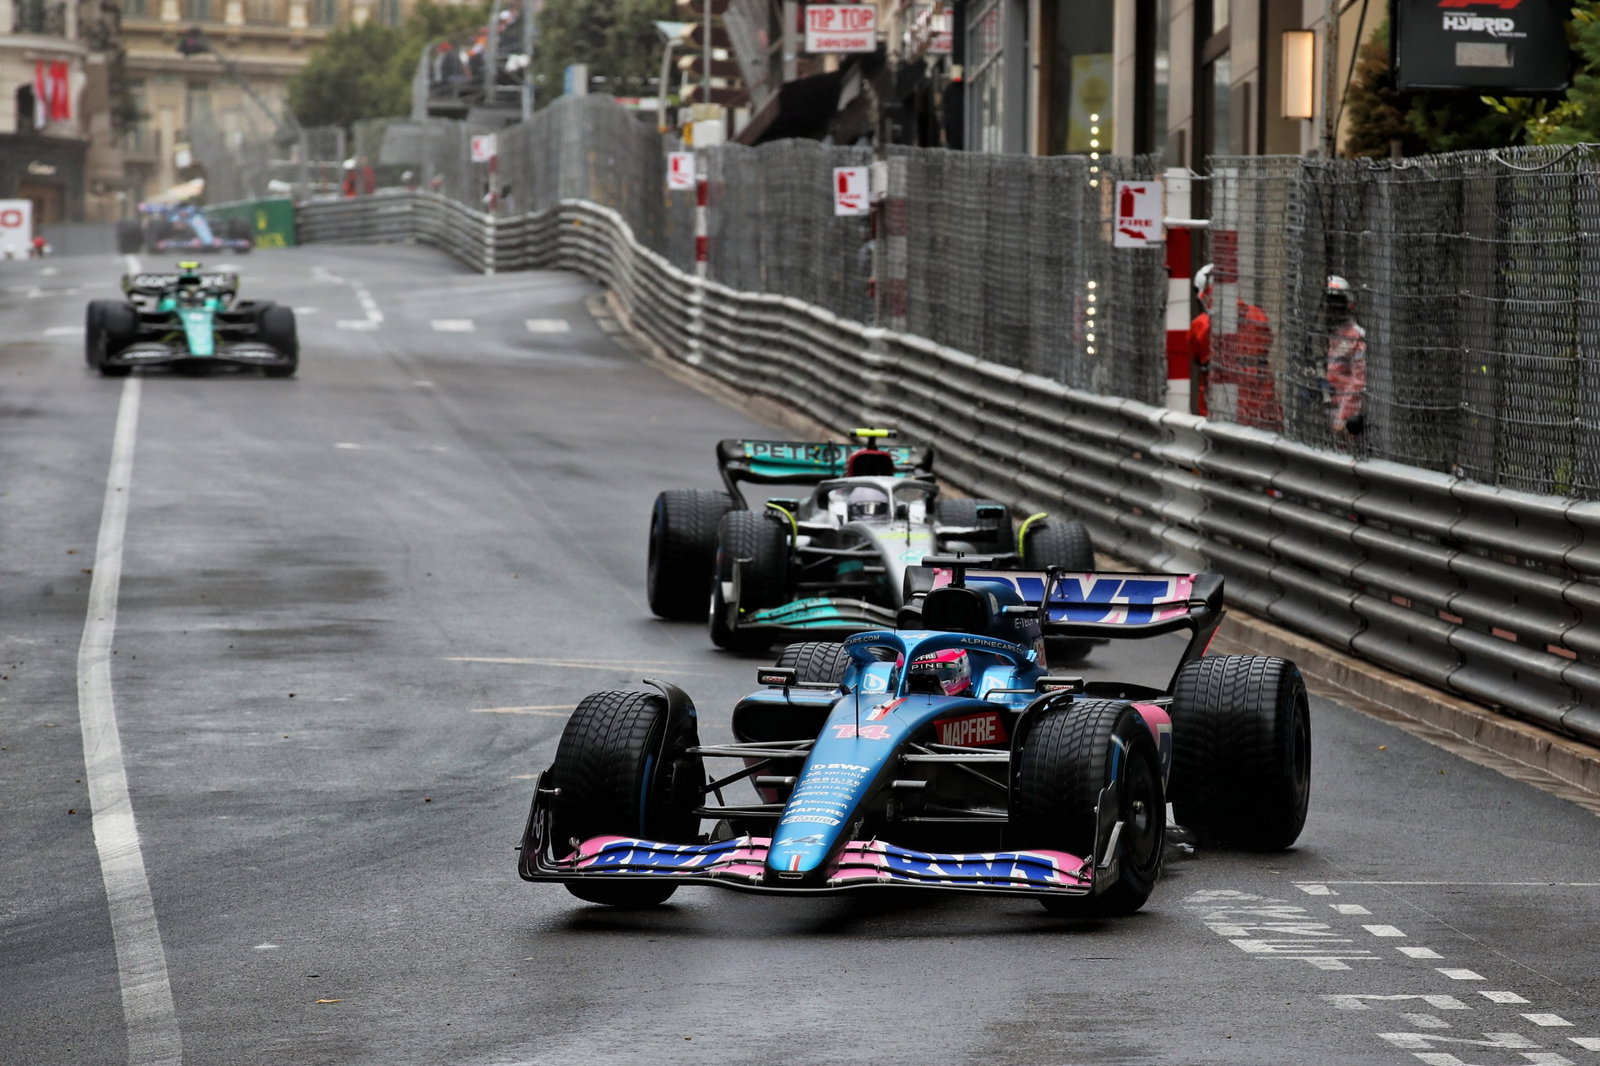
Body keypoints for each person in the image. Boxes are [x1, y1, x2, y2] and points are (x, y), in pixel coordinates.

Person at [1188, 262, 1281, 430]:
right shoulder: (1258, 316)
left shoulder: (1201, 326)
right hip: (1261, 396)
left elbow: (1196, 355)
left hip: (1222, 399)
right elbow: (1267, 342)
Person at [1323, 275, 1367, 440]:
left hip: (1348, 416)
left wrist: (1342, 416)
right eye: (1330, 303)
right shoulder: (1331, 334)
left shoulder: (1356, 336)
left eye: (1337, 303)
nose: (1332, 308)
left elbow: (1358, 381)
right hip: (1329, 407)